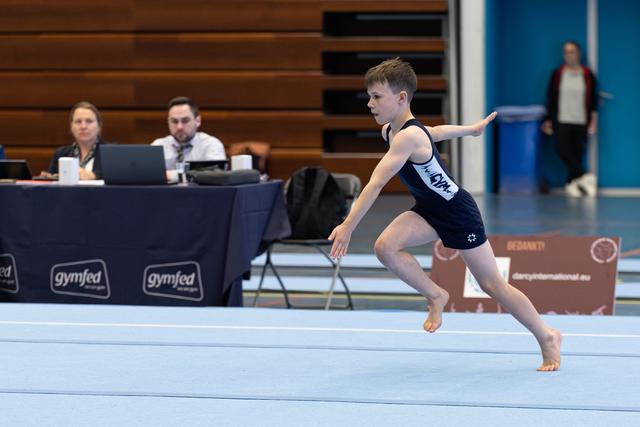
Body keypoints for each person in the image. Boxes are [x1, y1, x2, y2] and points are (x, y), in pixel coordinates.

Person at [329, 58, 562, 371]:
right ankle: (436, 295)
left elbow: (376, 183)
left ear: (401, 98)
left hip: (457, 213)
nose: (370, 103)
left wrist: (347, 226)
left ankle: (546, 336)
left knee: (492, 285)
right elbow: (435, 132)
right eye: (369, 96)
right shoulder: (392, 130)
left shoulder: (406, 137)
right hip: (428, 210)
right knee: (386, 248)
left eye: (377, 97)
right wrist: (471, 130)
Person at [542, 41, 598, 197]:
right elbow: (551, 97)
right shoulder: (558, 74)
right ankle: (586, 176)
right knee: (562, 149)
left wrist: (593, 120)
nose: (569, 55)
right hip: (561, 119)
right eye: (566, 52)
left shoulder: (587, 75)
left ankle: (572, 185)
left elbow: (592, 100)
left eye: (572, 51)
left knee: (576, 154)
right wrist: (548, 119)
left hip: (581, 120)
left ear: (578, 53)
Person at [151, 97, 226, 177]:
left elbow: (216, 177)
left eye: (185, 121)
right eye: (174, 121)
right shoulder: (158, 146)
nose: (179, 127)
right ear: (168, 122)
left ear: (197, 121)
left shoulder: (211, 144)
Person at [41, 101, 105, 180]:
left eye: (89, 121)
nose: (83, 126)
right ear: (71, 127)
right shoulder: (61, 154)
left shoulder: (110, 153)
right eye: (78, 121)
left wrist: (95, 176)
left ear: (99, 126)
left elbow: (119, 180)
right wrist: (48, 179)